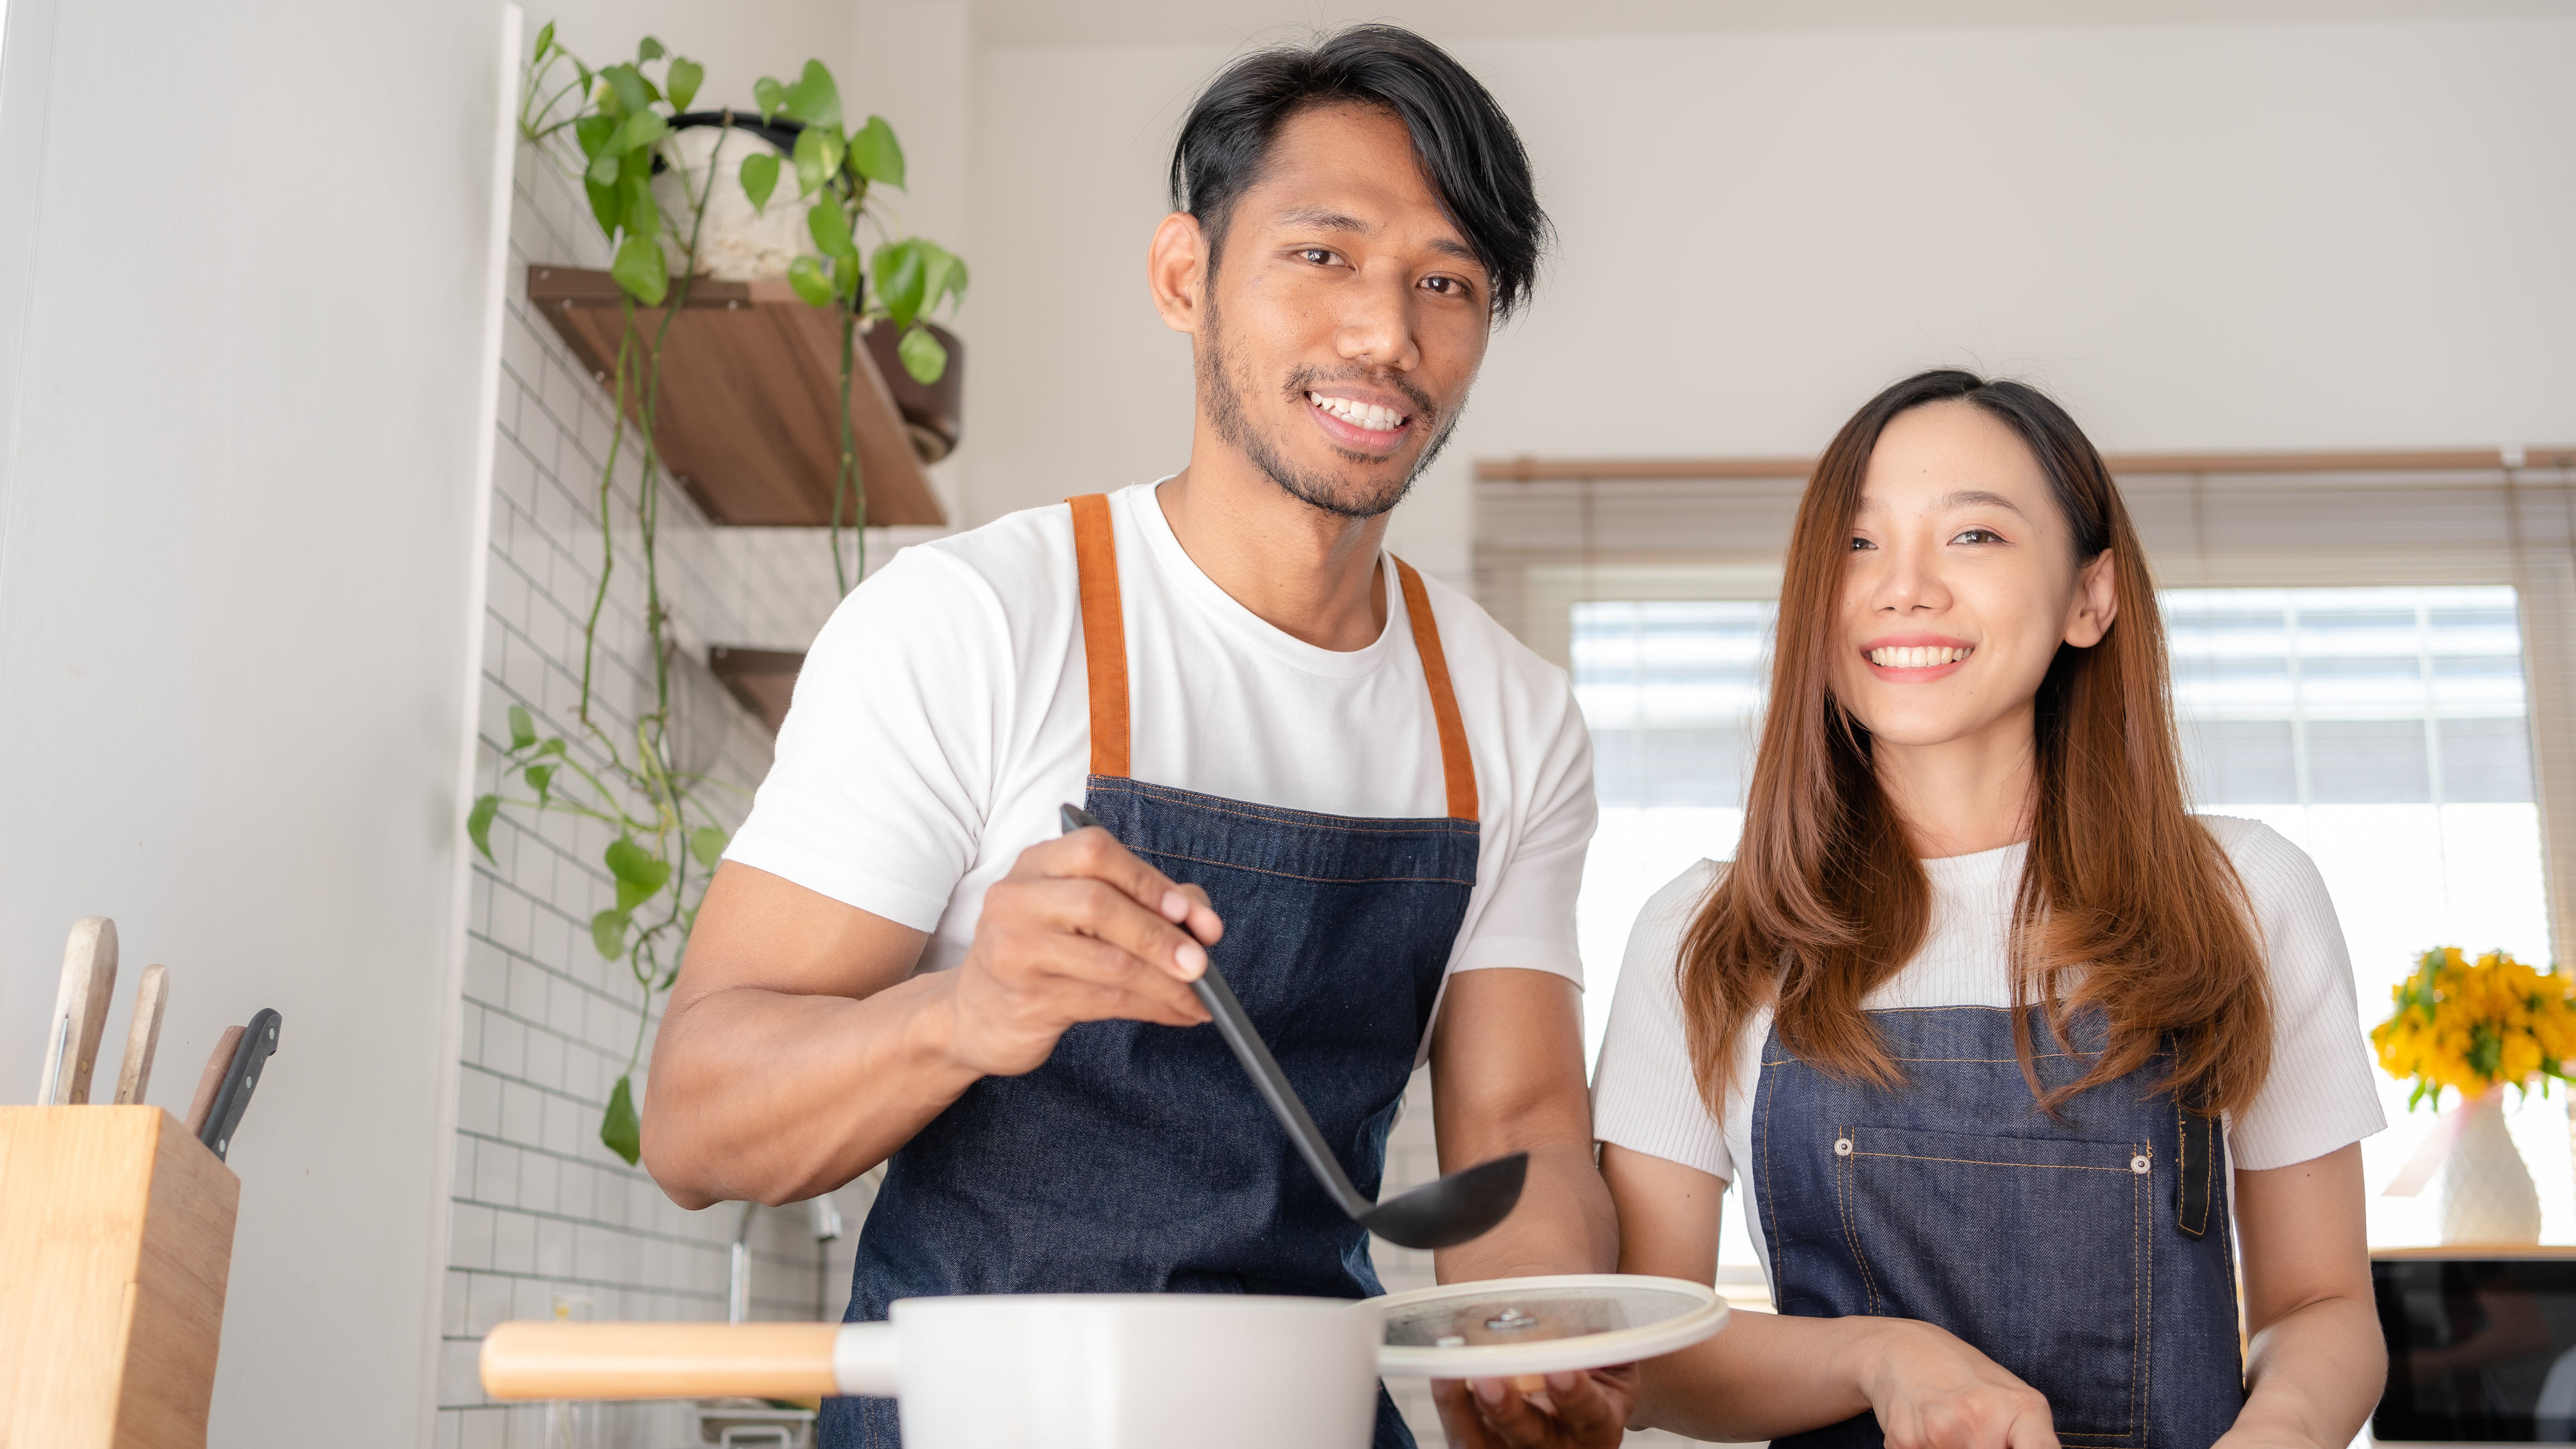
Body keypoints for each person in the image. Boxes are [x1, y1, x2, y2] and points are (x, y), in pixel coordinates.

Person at [639, 25, 1630, 1449]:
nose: (1385, 336)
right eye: (1325, 253)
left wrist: (1536, 1340)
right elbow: (693, 1121)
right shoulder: (975, 623)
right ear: (1187, 275)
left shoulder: (1509, 717)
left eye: (1447, 283)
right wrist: (963, 1013)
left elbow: (1519, 1125)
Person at [1591, 370, 2390, 1449]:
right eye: (1860, 544)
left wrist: (2280, 1434)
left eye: (1973, 537)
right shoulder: (1707, 937)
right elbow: (1650, 1352)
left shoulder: (2243, 897)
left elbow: (2323, 1306)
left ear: (2089, 597)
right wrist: (1884, 1357)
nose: (1904, 588)